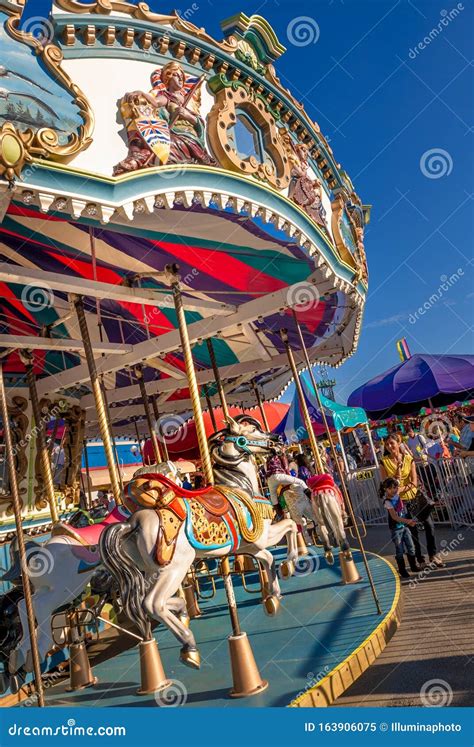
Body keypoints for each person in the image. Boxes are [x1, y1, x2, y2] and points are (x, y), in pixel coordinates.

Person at [380, 434, 443, 567]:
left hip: (415, 498)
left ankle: (433, 555)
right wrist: (397, 476)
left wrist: (399, 489)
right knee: (412, 531)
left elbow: (414, 482)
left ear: (398, 442)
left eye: (392, 443)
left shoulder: (409, 459)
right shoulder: (384, 462)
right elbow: (387, 485)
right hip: (400, 503)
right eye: (387, 444)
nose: (390, 446)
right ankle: (420, 560)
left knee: (429, 525)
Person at [379, 477, 420, 579]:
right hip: (396, 528)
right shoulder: (387, 502)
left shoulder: (397, 493)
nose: (395, 489)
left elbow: (399, 478)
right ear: (386, 489)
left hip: (405, 526)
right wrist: (408, 521)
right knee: (400, 549)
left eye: (396, 487)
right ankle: (402, 570)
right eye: (392, 488)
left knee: (411, 546)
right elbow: (394, 517)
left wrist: (399, 465)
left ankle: (413, 565)